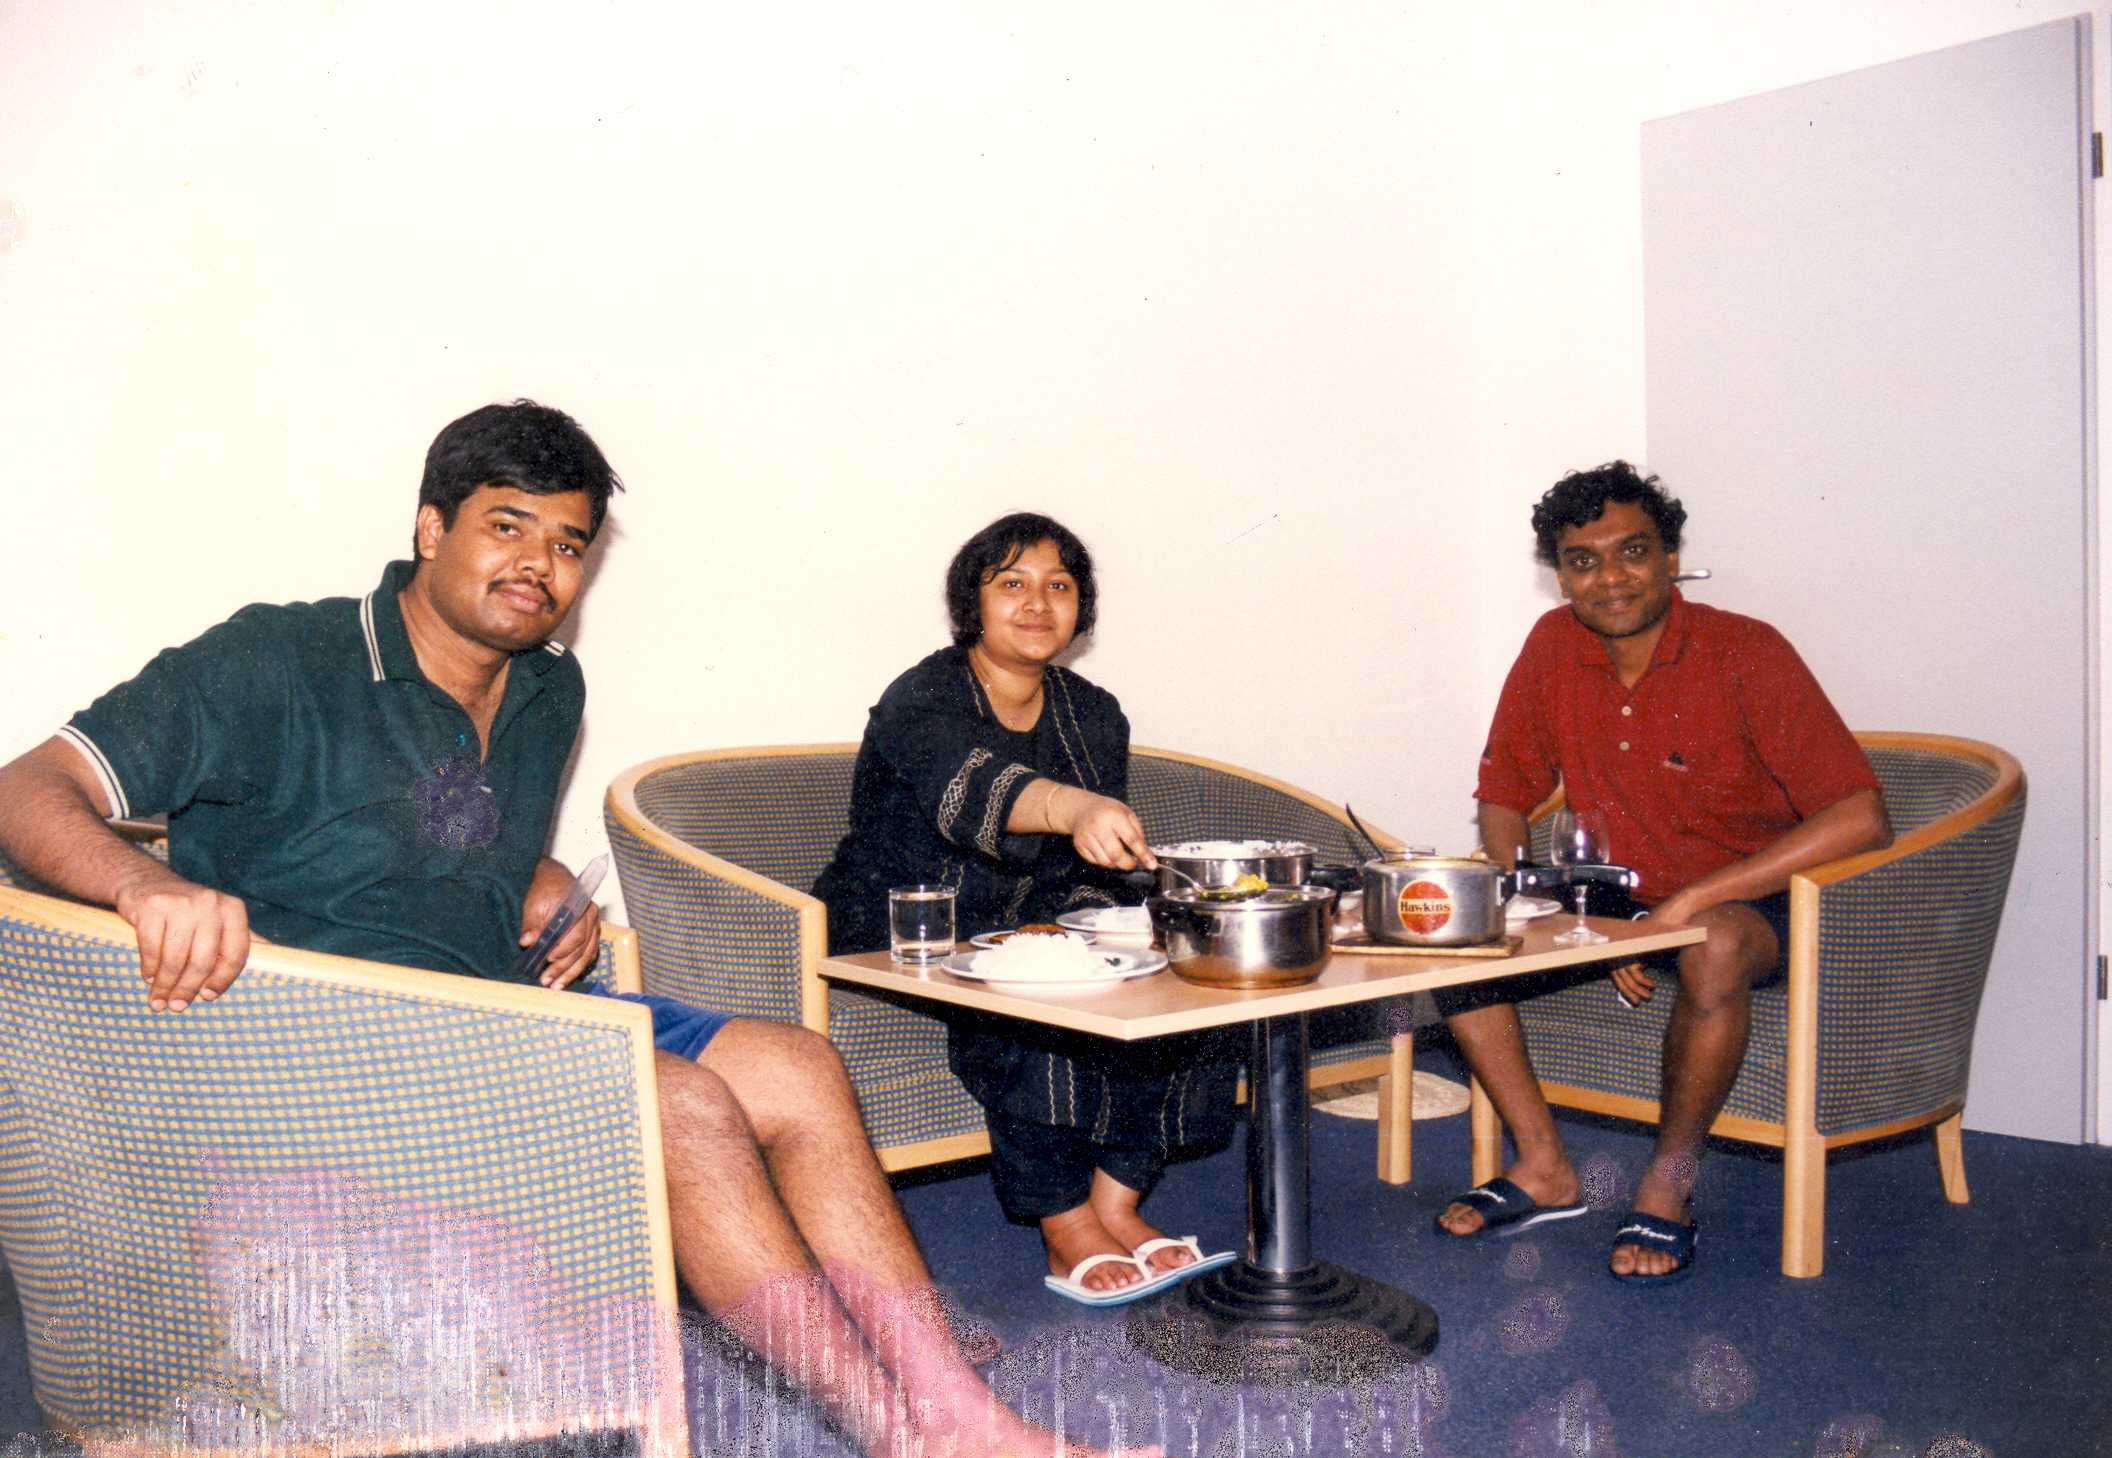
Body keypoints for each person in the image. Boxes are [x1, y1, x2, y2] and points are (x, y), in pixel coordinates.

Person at [0, 404, 1147, 1458]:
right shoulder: (277, 661)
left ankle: (961, 1416)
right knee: (676, 1103)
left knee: (797, 1066)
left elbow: (452, 830)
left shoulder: (548, 686)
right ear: (430, 528)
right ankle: (894, 1437)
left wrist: (542, 880)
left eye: (566, 545)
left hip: (496, 1015)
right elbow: (26, 788)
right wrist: (142, 887)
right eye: (506, 528)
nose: (537, 567)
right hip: (326, 1044)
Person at [1433, 461, 1891, 1284]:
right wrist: (1511, 888)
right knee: (1456, 929)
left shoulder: (1747, 649)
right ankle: (1544, 1165)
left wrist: (1683, 909)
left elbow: (1860, 817)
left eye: (1633, 551)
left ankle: (1667, 1183)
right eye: (1583, 561)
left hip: (1753, 902)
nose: (1610, 578)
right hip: (1618, 896)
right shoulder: (1552, 646)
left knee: (1711, 944)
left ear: (1671, 557)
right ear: (1561, 577)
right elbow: (1504, 791)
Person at [815, 512, 1237, 1302]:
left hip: (1036, 914)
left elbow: (1089, 862)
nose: (1037, 603)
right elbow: (969, 790)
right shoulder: (923, 696)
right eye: (1012, 583)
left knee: (1183, 980)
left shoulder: (1094, 712)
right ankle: (1065, 1221)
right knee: (1036, 1001)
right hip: (908, 918)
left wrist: (1093, 921)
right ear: (972, 601)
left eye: (1059, 585)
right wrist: (1076, 810)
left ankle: (1116, 1202)